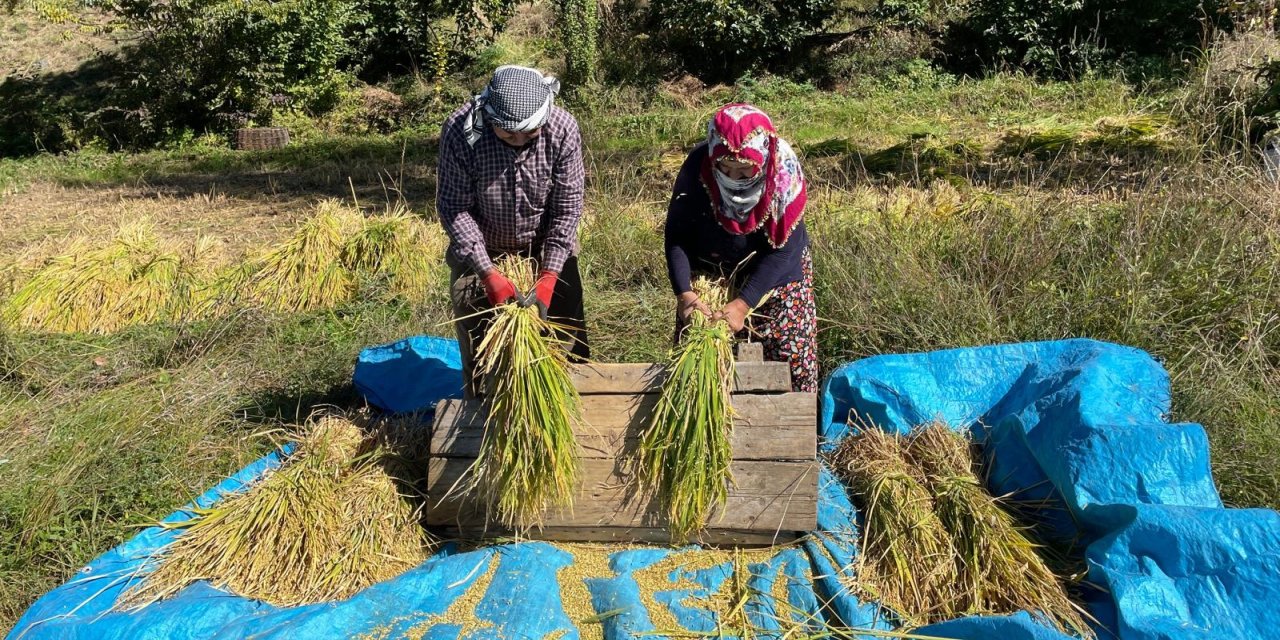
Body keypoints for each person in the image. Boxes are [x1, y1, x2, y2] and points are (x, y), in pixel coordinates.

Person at [437, 65, 589, 396]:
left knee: (565, 330)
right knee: (478, 332)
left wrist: (548, 277)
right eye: (508, 135)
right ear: (489, 118)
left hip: (546, 245)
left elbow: (567, 208)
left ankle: (571, 399)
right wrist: (487, 272)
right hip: (483, 245)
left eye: (529, 134)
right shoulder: (462, 130)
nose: (519, 141)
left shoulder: (562, 129)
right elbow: (454, 207)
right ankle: (481, 409)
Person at [664, 103, 818, 392]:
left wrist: (743, 303)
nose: (734, 180)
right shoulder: (698, 167)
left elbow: (785, 250)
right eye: (725, 169)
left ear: (761, 161)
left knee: (791, 360)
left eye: (745, 172)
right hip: (712, 273)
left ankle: (792, 429)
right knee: (696, 364)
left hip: (775, 275)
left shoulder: (781, 171)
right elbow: (677, 235)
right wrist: (685, 293)